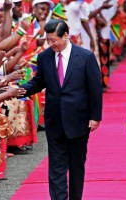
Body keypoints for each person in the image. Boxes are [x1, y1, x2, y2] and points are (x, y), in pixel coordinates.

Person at [20, 19, 103, 200]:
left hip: (79, 120)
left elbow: (95, 88)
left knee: (76, 166)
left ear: (66, 36)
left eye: (54, 40)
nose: (51, 44)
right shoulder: (44, 57)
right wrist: (20, 90)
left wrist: (95, 116)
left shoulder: (85, 56)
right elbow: (38, 82)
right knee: (56, 167)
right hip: (54, 120)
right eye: (48, 40)